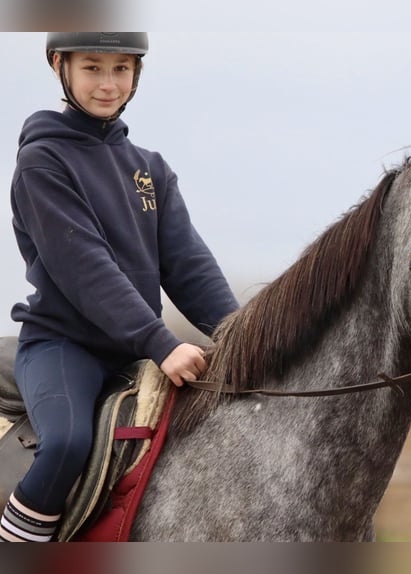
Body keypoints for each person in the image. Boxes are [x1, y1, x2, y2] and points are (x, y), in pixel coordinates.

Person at [0, 33, 240, 542]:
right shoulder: (42, 162)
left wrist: (244, 335)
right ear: (59, 66)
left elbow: (189, 265)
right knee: (65, 442)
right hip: (65, 346)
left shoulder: (149, 168)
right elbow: (86, 269)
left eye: (121, 69)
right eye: (92, 68)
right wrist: (162, 343)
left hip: (136, 351)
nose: (108, 84)